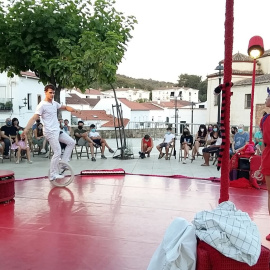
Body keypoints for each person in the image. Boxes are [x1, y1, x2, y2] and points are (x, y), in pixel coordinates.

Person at [23, 84, 78, 181]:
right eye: (50, 93)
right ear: (45, 92)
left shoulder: (54, 103)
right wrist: (27, 128)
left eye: (53, 93)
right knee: (57, 151)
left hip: (57, 130)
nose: (52, 94)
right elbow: (34, 117)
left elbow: (64, 107)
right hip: (49, 131)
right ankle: (53, 174)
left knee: (71, 142)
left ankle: (63, 163)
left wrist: (74, 109)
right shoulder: (42, 105)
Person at [260, 93, 270, 241]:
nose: (265, 99)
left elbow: (264, 142)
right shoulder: (265, 118)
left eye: (267, 97)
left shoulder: (265, 119)